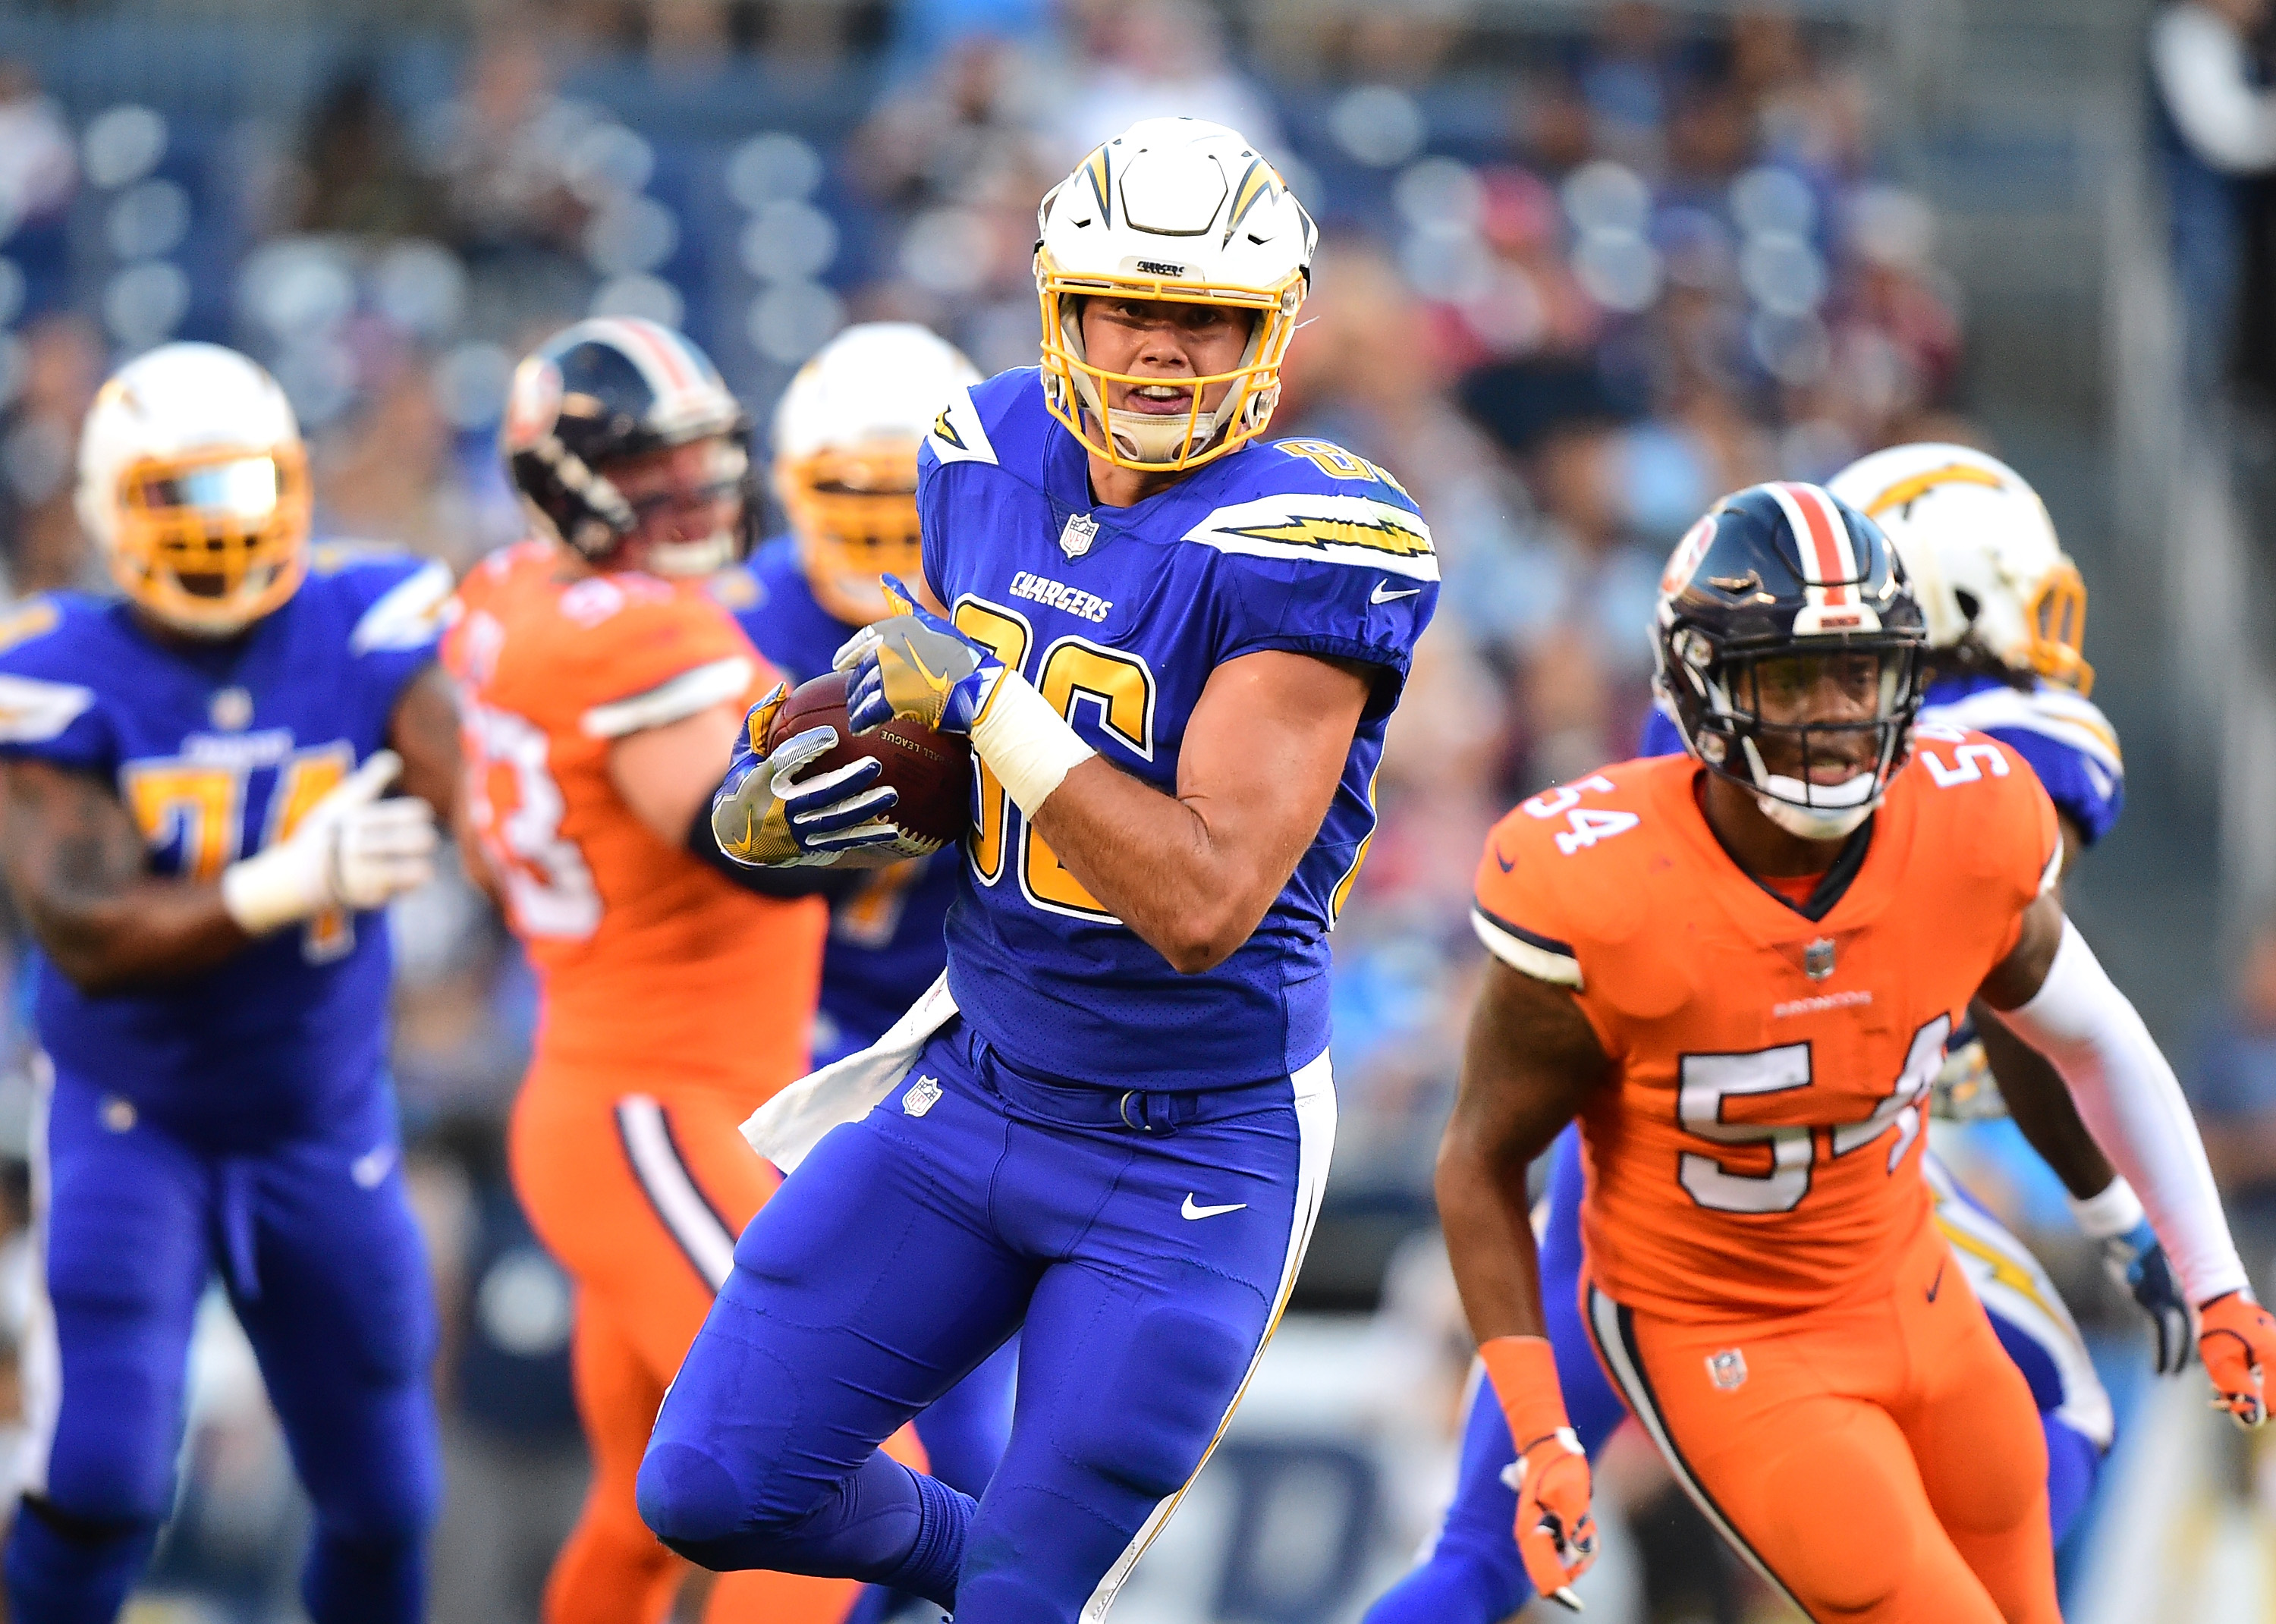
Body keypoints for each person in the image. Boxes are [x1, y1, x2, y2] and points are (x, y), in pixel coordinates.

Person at [636, 118, 1435, 1619]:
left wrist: (987, 705)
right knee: (717, 1483)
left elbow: (1203, 903)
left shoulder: (1313, 536)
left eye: (1207, 318)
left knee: (1018, 1593)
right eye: (1129, 307)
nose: (1162, 352)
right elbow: (960, 782)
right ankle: (1010, 1580)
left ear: (1271, 334)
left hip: (1186, 1150)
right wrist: (814, 803)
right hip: (978, 1085)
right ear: (1062, 307)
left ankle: (1023, 1589)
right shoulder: (982, 451)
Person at [1435, 480, 2276, 1620]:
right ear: (1704, 683)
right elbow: (1479, 1161)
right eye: (1791, 678)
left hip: (1906, 1281)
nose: (1835, 714)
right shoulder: (1600, 884)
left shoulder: (1971, 819)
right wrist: (1540, 1424)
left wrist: (2215, 1276)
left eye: (1859, 672)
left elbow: (2095, 1038)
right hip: (1724, 1332)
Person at [445, 316, 920, 1624]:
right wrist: (919, 782)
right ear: (572, 481)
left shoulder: (505, 597)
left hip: (638, 1091)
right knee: (827, 1455)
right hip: (652, 1106)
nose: (699, 491)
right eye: (658, 471)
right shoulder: (640, 641)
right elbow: (734, 836)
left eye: (705, 458)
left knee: (638, 1510)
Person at [0, 341, 456, 1624]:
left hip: (321, 1117)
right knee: (100, 1472)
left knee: (385, 1497)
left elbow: (491, 803)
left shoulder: (367, 625)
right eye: (179, 497)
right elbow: (83, 924)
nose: (218, 529)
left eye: (241, 487)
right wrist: (283, 881)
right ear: (104, 509)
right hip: (132, 1119)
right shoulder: (57, 665)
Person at [714, 319, 1019, 1613]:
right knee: (776, 1437)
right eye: (854, 498)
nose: (888, 534)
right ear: (791, 488)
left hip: (955, 1041)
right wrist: (744, 817)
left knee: (970, 1448)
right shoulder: (733, 621)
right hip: (773, 1046)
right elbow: (689, 846)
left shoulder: (1018, 604)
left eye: (912, 504)